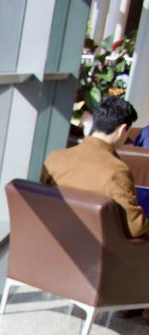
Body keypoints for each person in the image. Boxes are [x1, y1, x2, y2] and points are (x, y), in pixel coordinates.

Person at [41, 96, 148, 238]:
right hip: (101, 248)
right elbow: (135, 228)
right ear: (122, 130)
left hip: (54, 236)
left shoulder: (55, 157)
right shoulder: (117, 171)